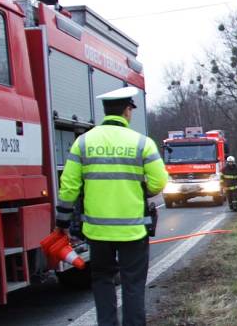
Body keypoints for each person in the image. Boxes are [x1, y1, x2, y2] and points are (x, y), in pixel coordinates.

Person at [55, 86, 168, 326]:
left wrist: (62, 221)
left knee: (102, 280)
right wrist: (141, 191)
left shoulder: (83, 143)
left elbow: (68, 187)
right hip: (133, 230)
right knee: (133, 284)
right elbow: (159, 181)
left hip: (97, 231)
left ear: (105, 112)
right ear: (127, 111)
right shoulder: (142, 143)